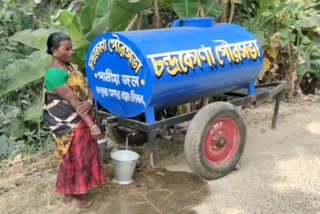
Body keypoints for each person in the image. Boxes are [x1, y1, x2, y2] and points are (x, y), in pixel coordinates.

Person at [42, 32, 106, 208]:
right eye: (67, 49)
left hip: (83, 117)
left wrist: (89, 101)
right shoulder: (54, 74)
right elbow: (72, 101)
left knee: (84, 156)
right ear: (54, 51)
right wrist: (92, 125)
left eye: (72, 47)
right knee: (73, 157)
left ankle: (81, 188)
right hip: (69, 123)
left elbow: (88, 87)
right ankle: (70, 196)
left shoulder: (72, 67)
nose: (72, 51)